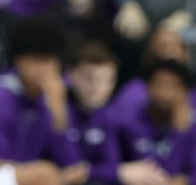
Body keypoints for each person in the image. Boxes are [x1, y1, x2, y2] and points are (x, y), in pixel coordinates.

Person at [67, 40, 171, 185]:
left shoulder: (115, 117)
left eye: (104, 79)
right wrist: (118, 172)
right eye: (88, 78)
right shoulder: (59, 114)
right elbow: (69, 173)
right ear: (71, 76)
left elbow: (142, 163)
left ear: (113, 82)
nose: (95, 86)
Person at [0, 15, 87, 184]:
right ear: (18, 60)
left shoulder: (55, 95)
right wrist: (43, 176)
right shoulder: (3, 96)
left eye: (50, 60)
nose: (45, 69)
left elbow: (75, 167)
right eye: (37, 60)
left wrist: (58, 112)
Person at [115, 59, 196, 185]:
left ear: (183, 92)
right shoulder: (127, 123)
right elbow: (111, 166)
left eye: (173, 85)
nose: (164, 92)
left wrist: (180, 182)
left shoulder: (190, 127)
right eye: (158, 84)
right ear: (147, 87)